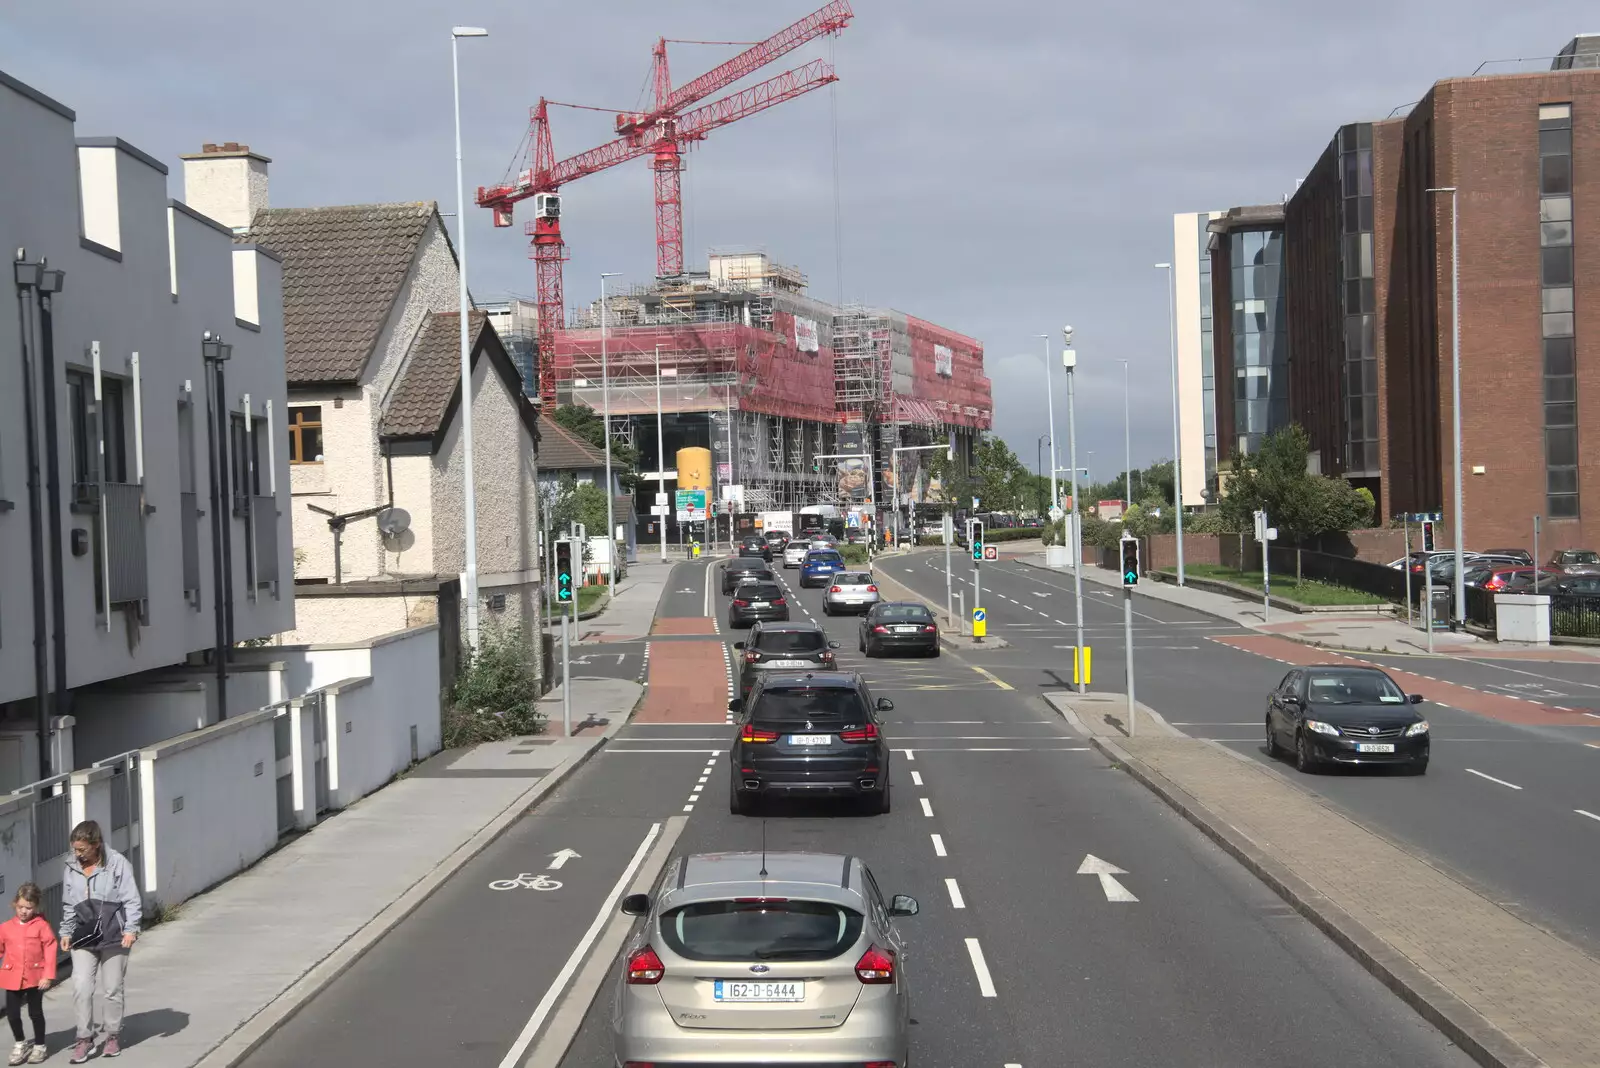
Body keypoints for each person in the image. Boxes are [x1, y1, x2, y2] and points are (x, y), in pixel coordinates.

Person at [59, 821, 141, 1063]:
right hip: (84, 936)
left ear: (96, 845)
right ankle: (84, 1038)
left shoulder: (117, 863)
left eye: (82, 849)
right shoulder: (71, 867)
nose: (78, 854)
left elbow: (132, 899)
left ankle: (112, 1035)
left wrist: (131, 929)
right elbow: (68, 904)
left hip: (114, 934)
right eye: (75, 849)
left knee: (112, 988)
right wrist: (65, 931)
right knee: (81, 986)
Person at [0, 884, 55, 1065]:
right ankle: (20, 1043)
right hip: (12, 976)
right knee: (13, 1014)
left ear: (36, 907)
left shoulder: (41, 926)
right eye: (20, 907)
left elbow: (49, 949)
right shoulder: (5, 927)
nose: (24, 911)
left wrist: (47, 975)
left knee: (35, 1013)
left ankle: (39, 1046)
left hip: (35, 976)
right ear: (14, 904)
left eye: (29, 908)